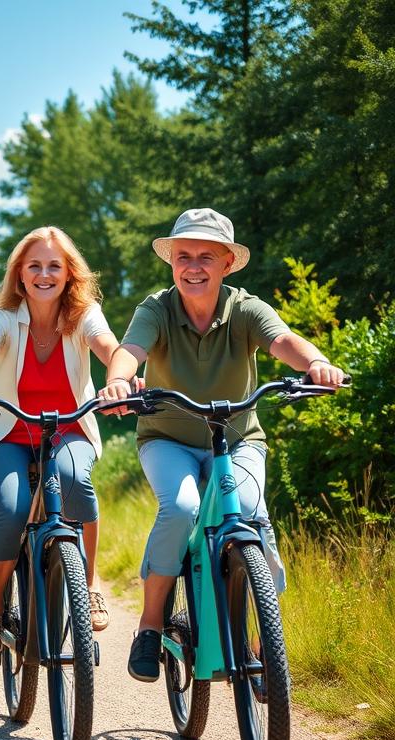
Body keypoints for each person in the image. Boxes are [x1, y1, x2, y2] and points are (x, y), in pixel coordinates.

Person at [97, 207, 345, 683]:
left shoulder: (246, 308)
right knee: (183, 508)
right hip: (168, 438)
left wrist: (317, 363)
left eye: (206, 257)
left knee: (250, 513)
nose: (193, 266)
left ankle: (261, 642)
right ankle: (149, 626)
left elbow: (284, 340)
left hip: (237, 439)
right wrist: (118, 381)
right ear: (172, 262)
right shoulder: (156, 308)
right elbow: (130, 350)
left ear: (227, 263)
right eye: (183, 256)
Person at [0, 226, 122, 656]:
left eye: (54, 266)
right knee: (14, 508)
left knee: (76, 484)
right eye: (34, 265)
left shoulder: (84, 312)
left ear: (69, 274)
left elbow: (107, 345)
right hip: (5, 431)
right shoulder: (1, 314)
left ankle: (88, 584)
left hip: (68, 429)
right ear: (20, 274)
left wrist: (120, 379)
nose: (44, 274)